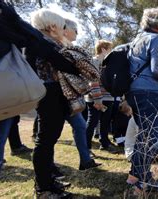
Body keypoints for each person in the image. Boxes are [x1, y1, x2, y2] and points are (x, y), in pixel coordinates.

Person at [0, 2, 78, 198]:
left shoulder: (2, 9)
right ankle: (44, 186)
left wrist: (9, 19)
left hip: (0, 100)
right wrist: (4, 20)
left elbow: (25, 36)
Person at [27, 9, 82, 198]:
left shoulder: (47, 42)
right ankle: (44, 188)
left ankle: (48, 180)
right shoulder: (41, 42)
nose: (64, 30)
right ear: (52, 26)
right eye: (62, 26)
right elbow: (66, 65)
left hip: (54, 94)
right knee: (45, 140)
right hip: (48, 94)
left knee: (49, 139)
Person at [125, 8, 158, 193]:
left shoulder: (137, 41)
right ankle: (142, 182)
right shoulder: (157, 39)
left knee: (143, 135)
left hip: (134, 93)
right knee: (148, 138)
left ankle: (134, 177)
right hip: (150, 93)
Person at [62, 18, 101, 170]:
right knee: (48, 135)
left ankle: (85, 160)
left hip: (71, 97)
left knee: (80, 126)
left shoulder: (70, 49)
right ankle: (47, 174)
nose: (77, 33)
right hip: (57, 96)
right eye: (75, 29)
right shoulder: (55, 47)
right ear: (65, 30)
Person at [85, 40, 117, 152]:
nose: (111, 52)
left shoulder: (108, 63)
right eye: (110, 49)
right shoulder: (94, 61)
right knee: (92, 122)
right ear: (103, 49)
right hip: (96, 99)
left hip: (108, 97)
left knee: (105, 122)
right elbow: (92, 80)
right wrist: (97, 99)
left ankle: (104, 143)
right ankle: (86, 147)